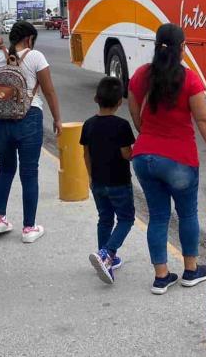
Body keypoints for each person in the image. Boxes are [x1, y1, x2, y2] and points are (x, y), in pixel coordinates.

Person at [128, 23, 206, 295]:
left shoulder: (141, 75)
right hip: (179, 159)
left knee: (158, 216)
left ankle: (161, 277)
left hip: (144, 157)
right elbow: (203, 118)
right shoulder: (189, 79)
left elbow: (134, 109)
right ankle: (191, 270)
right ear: (183, 47)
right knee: (187, 214)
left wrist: (145, 133)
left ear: (156, 45)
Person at [0, 21, 62, 243]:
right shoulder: (36, 56)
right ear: (29, 39)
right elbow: (49, 91)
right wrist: (57, 119)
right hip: (28, 117)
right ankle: (29, 228)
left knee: (6, 168)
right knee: (29, 173)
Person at [81, 77, 136, 285]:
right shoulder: (122, 126)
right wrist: (135, 152)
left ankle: (104, 256)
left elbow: (85, 154)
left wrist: (90, 176)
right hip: (119, 182)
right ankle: (108, 253)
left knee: (104, 218)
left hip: (97, 182)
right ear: (119, 102)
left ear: (96, 98)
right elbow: (126, 154)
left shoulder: (88, 125)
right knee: (126, 219)